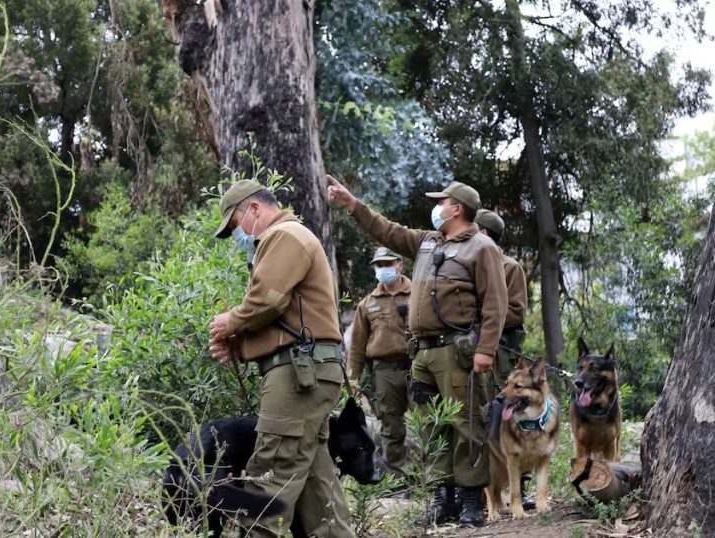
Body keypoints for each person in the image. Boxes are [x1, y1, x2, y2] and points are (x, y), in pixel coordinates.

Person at [326, 176, 507, 527]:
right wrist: (352, 205)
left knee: (466, 424)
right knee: (430, 427)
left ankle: (471, 500)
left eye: (441, 202)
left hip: (457, 351)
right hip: (421, 354)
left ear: (457, 209)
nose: (436, 208)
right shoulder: (427, 242)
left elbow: (495, 304)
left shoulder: (481, 248)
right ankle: (443, 498)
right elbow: (388, 231)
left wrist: (486, 349)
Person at [208, 180, 354, 537]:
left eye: (236, 223)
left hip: (299, 373)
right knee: (317, 481)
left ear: (254, 208)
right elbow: (286, 317)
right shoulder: (288, 238)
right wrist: (240, 345)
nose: (239, 234)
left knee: (272, 467)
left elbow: (268, 300)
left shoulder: (283, 235)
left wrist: (231, 321)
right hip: (309, 370)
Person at [474, 208, 532, 509]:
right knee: (479, 417)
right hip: (474, 352)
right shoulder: (470, 265)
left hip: (503, 355)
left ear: (483, 233)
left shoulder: (510, 267)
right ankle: (481, 490)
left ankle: (522, 486)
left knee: (513, 416)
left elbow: (516, 311)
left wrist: (483, 317)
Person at [347, 247, 411, 482]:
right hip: (384, 371)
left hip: (417, 366)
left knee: (429, 423)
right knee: (391, 427)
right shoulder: (367, 304)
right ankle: (398, 480)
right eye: (379, 265)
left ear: (399, 265)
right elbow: (357, 347)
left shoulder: (419, 293)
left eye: (388, 264)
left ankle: (432, 481)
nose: (383, 269)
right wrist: (353, 380)